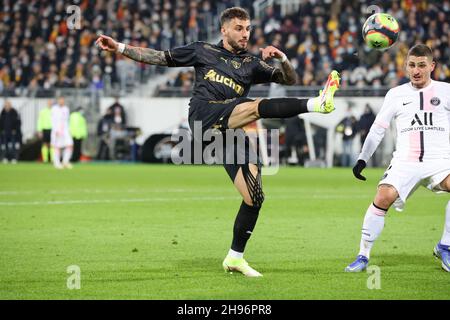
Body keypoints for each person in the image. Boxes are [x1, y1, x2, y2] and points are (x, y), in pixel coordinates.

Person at [96, 7, 340, 277]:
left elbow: (289, 80)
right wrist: (118, 47)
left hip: (230, 130)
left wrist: (282, 59)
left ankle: (235, 258)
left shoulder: (251, 64)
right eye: (239, 28)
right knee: (254, 106)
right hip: (204, 117)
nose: (245, 34)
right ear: (224, 30)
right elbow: (160, 57)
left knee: (254, 197)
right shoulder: (203, 50)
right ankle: (317, 103)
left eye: (248, 29)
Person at [345, 44, 450, 273]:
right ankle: (363, 255)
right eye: (412, 65)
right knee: (383, 197)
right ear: (405, 66)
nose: (416, 70)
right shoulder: (396, 94)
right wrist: (363, 159)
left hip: (441, 160)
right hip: (406, 161)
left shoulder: (446, 91)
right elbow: (378, 128)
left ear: (432, 66)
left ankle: (445, 245)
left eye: (422, 65)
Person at [51, 97, 74, 169]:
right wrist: (55, 130)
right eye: (60, 100)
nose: (61, 101)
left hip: (65, 130)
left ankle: (65, 161)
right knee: (57, 147)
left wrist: (69, 129)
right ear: (58, 101)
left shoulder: (66, 109)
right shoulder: (54, 109)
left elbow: (67, 120)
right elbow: (53, 120)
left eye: (63, 100)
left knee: (70, 145)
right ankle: (56, 163)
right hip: (57, 130)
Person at [0, 100, 21, 164]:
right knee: (4, 146)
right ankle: (5, 158)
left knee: (13, 146)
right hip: (4, 133)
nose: (7, 106)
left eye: (8, 105)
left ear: (10, 105)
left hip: (13, 133)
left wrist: (15, 130)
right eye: (6, 105)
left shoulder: (14, 112)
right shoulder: (3, 112)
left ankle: (14, 158)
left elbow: (18, 122)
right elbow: (1, 122)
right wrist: (1, 130)